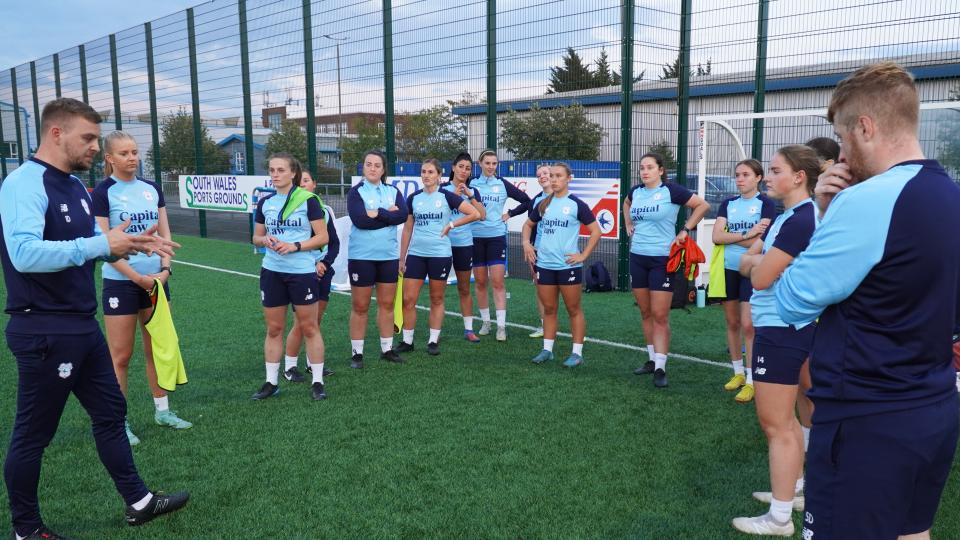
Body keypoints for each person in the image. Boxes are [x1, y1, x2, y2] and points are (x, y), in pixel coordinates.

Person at [776, 62, 960, 540]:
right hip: (933, 407)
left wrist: (824, 214)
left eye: (841, 136)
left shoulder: (866, 201)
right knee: (912, 532)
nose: (838, 152)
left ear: (865, 127)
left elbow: (793, 301)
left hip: (866, 417)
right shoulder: (949, 192)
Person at [0, 98, 187, 539]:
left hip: (81, 324)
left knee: (110, 413)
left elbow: (94, 242)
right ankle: (27, 529)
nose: (93, 147)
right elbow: (24, 254)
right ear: (56, 133)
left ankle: (138, 501)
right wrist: (100, 246)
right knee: (33, 435)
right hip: (44, 327)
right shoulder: (24, 184)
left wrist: (133, 243)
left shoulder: (75, 187)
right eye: (87, 138)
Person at [731, 145, 820, 536]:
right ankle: (797, 489)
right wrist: (757, 261)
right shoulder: (791, 216)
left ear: (799, 176)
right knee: (799, 414)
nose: (768, 176)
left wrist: (755, 264)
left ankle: (780, 519)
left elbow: (760, 275)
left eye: (775, 170)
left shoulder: (801, 219)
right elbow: (753, 260)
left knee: (776, 424)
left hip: (783, 326)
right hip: (789, 324)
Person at [91, 131, 192, 447]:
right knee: (120, 357)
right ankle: (119, 423)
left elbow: (164, 235)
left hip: (157, 283)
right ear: (109, 158)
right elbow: (106, 245)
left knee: (158, 347)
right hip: (122, 283)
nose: (132, 158)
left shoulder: (152, 189)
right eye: (124, 153)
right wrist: (137, 278)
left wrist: (165, 271)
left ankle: (163, 411)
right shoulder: (103, 192)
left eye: (134, 152)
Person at [625, 152, 709, 387]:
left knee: (660, 315)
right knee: (645, 312)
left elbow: (702, 205)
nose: (644, 171)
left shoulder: (671, 191)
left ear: (661, 170)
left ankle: (660, 368)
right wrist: (628, 223)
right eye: (642, 167)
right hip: (637, 257)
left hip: (662, 259)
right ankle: (651, 359)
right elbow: (626, 203)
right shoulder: (636, 192)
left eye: (650, 167)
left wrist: (685, 229)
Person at [251, 153, 329, 401]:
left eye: (281, 170)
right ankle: (271, 382)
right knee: (274, 328)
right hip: (272, 271)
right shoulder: (265, 203)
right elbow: (256, 236)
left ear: (293, 173)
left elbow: (322, 237)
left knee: (309, 327)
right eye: (272, 170)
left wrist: (294, 245)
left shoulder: (308, 201)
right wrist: (264, 240)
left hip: (301, 272)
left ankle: (317, 381)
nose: (275, 174)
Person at [397, 159, 481, 355]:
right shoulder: (413, 198)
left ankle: (433, 340)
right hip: (416, 255)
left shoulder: (446, 196)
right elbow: (408, 228)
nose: (426, 175)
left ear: (439, 176)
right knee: (408, 299)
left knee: (436, 298)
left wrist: (451, 225)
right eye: (424, 171)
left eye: (431, 172)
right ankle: (407, 341)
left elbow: (474, 213)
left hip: (440, 255)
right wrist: (402, 258)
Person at [522, 163, 601, 367]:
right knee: (549, 309)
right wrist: (526, 244)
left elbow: (596, 231)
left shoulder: (576, 204)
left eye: (559, 176)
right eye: (552, 176)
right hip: (545, 265)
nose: (554, 179)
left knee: (573, 309)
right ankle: (547, 350)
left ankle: (577, 353)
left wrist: (583, 255)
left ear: (569, 179)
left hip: (567, 266)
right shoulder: (543, 204)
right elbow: (528, 225)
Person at [711, 159, 775, 403]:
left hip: (750, 270)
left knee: (749, 325)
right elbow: (716, 236)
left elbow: (762, 241)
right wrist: (747, 234)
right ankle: (737, 372)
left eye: (745, 174)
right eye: (737, 174)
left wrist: (733, 237)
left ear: (758, 177)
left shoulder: (766, 204)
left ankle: (751, 380)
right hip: (727, 269)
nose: (739, 179)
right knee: (732, 322)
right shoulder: (728, 204)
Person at [346, 149, 408, 368]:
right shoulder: (356, 192)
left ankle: (387, 349)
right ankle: (357, 354)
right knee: (360, 306)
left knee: (387, 304)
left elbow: (402, 215)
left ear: (383, 170)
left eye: (377, 165)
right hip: (361, 257)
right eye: (368, 164)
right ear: (363, 167)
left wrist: (377, 212)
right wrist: (387, 214)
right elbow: (360, 220)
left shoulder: (393, 191)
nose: (372, 168)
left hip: (388, 257)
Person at [467, 150, 532, 341]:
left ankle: (501, 326)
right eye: (487, 163)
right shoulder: (471, 184)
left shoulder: (502, 184)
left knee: (497, 282)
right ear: (480, 163)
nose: (491, 167)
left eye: (494, 163)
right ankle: (486, 322)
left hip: (496, 237)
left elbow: (526, 201)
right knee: (480, 282)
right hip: (475, 237)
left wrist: (509, 214)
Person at [283, 170, 338, 381]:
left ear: (314, 184)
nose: (302, 184)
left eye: (306, 180)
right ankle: (289, 367)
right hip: (302, 272)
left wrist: (324, 262)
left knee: (315, 322)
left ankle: (311, 363)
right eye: (299, 181)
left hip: (323, 272)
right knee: (301, 322)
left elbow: (334, 243)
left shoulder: (323, 211)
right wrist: (312, 263)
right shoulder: (289, 212)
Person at [440, 152, 486, 342]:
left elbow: (482, 215)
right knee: (438, 289)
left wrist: (470, 197)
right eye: (461, 167)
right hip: (442, 244)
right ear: (453, 168)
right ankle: (436, 330)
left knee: (464, 288)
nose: (464, 171)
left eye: (468, 168)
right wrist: (453, 198)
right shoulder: (441, 189)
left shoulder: (472, 191)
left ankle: (468, 330)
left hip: (464, 244)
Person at [527, 165, 553, 338]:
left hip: (560, 252)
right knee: (540, 288)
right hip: (539, 251)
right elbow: (530, 226)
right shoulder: (537, 201)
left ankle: (576, 329)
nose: (542, 177)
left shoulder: (565, 197)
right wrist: (529, 248)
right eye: (539, 175)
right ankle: (544, 326)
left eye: (545, 173)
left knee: (566, 292)